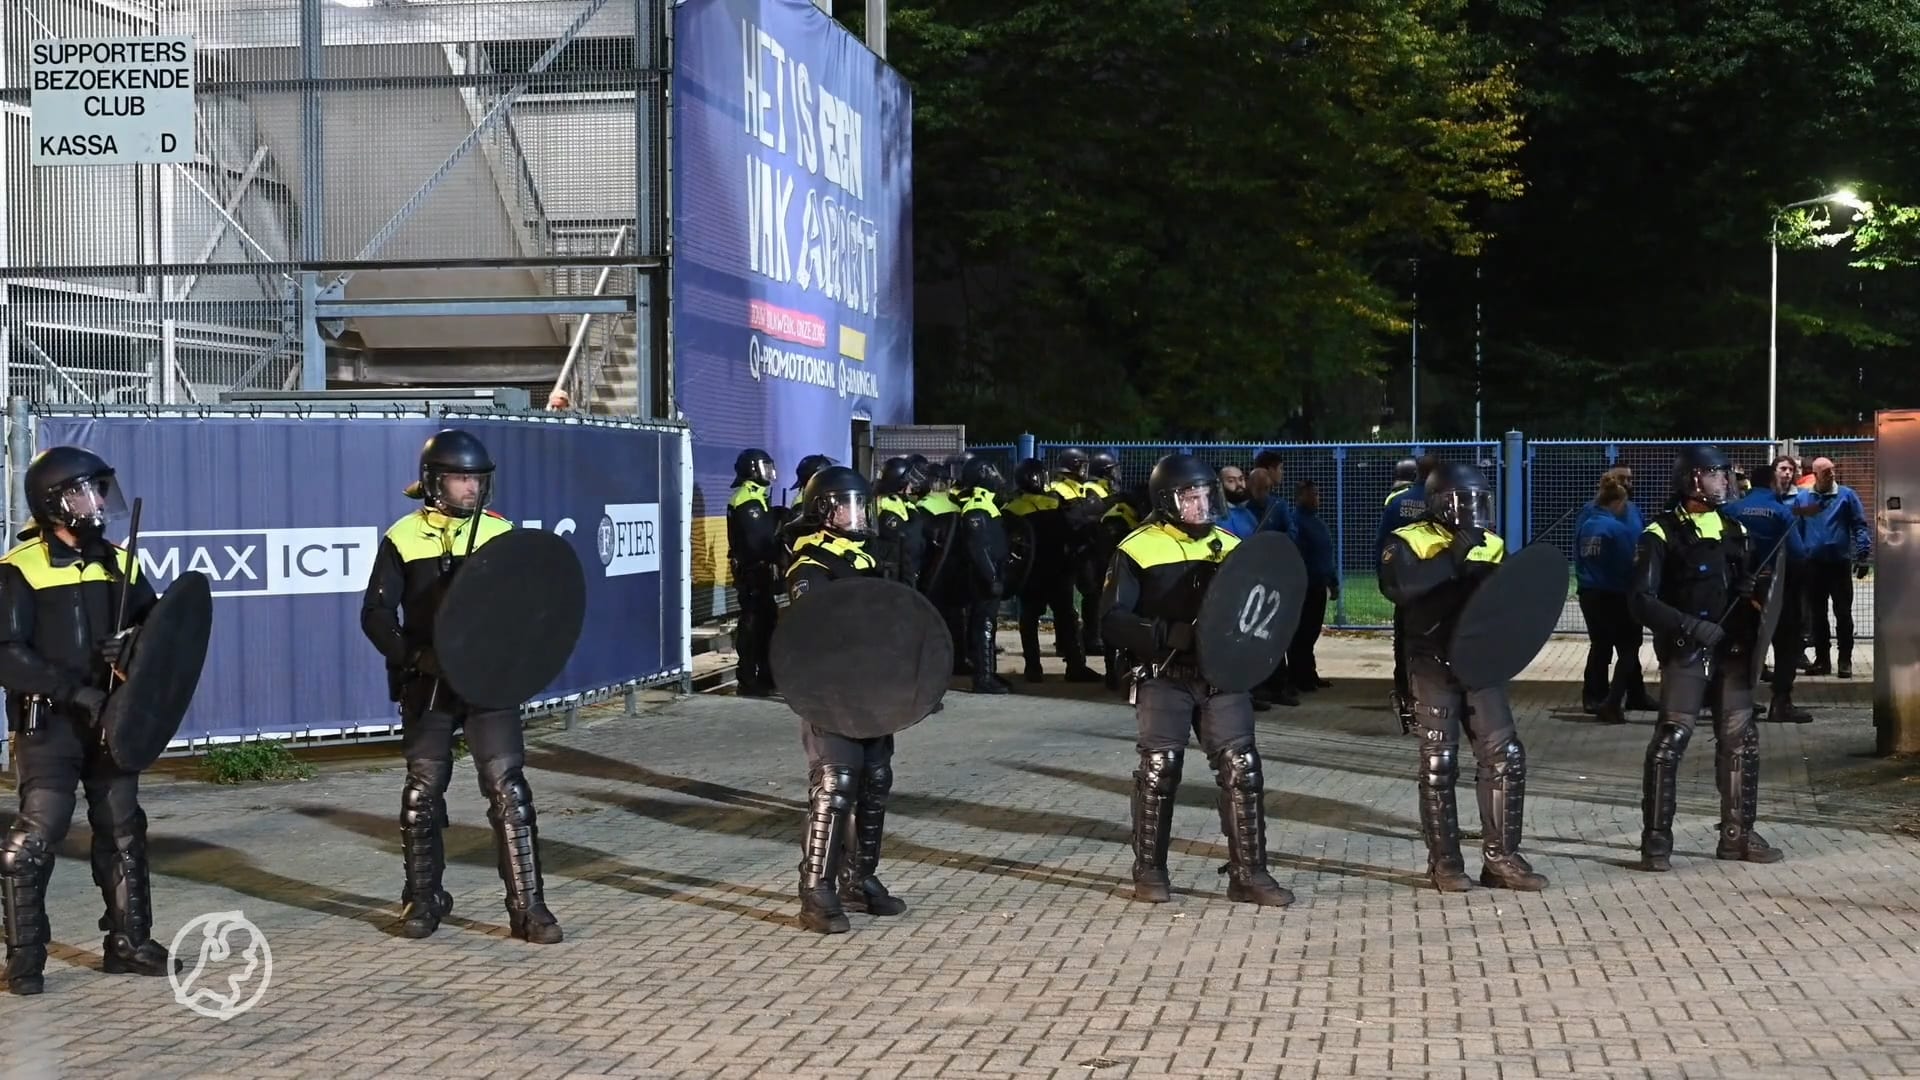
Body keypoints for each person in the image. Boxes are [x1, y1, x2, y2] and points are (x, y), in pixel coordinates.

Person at [361, 429, 563, 944]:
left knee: (509, 791)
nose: (471, 487)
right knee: (421, 794)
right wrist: (414, 656)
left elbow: (533, 610)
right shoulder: (403, 537)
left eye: (476, 478)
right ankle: (424, 900)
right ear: (434, 482)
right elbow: (376, 614)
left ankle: (529, 908)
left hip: (488, 684)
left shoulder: (501, 533)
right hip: (427, 684)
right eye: (460, 478)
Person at [0, 447, 178, 996]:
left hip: (111, 721)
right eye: (86, 490)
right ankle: (25, 958)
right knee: (35, 836)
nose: (98, 501)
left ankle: (128, 943)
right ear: (55, 502)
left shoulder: (120, 564)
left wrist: (132, 645)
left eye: (101, 489)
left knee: (124, 831)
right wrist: (73, 691)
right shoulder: (19, 569)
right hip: (49, 725)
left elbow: (160, 632)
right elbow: (6, 653)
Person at [1101, 454, 1294, 909]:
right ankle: (1150, 871)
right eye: (1191, 496)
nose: (1201, 504)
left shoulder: (1229, 544)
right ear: (1168, 500)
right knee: (1159, 769)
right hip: (1163, 674)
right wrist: (1164, 634)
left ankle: (1249, 873)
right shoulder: (1137, 548)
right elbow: (1110, 620)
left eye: (1207, 495)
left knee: (1242, 768)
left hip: (1219, 677)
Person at [1380, 462, 1547, 893]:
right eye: (1465, 501)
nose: (1475, 510)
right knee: (1439, 764)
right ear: (1440, 503)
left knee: (1505, 756)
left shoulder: (1491, 544)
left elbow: (1507, 599)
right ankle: (1446, 863)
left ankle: (1502, 858)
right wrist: (1456, 554)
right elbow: (1400, 588)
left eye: (1480, 501)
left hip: (1480, 662)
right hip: (1430, 661)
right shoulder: (1409, 539)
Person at [1629, 445, 1780, 872]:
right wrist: (1690, 627)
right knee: (1670, 741)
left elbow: (1754, 593)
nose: (1725, 482)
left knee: (1741, 739)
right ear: (1694, 479)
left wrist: (1753, 589)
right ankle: (1656, 842)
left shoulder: (1734, 528)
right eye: (1717, 475)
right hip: (1688, 650)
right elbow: (1640, 601)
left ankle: (1738, 836)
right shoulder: (1660, 534)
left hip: (1732, 650)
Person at [785, 466, 910, 934]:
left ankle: (859, 878)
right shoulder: (810, 566)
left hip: (872, 694)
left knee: (875, 781)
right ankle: (817, 889)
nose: (857, 516)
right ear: (822, 511)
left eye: (861, 505)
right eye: (847, 506)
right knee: (835, 785)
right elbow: (812, 632)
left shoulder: (867, 560)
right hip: (829, 694)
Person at [1727, 456, 1813, 723]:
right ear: (1774, 481)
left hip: (1739, 589)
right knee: (1786, 644)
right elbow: (1798, 554)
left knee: (1743, 644)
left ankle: (1740, 702)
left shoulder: (1732, 510)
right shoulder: (1781, 512)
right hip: (1776, 589)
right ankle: (1780, 703)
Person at [1005, 459, 1097, 683]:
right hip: (1058, 569)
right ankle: (1075, 666)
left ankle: (1033, 668)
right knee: (1066, 617)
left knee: (1029, 619)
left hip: (1030, 572)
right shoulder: (1054, 504)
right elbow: (1071, 534)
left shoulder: (1010, 509)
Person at [1574, 474, 1641, 723]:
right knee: (1628, 646)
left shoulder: (1587, 525)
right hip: (1615, 593)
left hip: (1589, 592)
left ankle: (1594, 696)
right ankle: (1614, 698)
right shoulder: (1617, 529)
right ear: (1617, 503)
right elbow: (1629, 563)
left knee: (1600, 645)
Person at [1798, 457, 1871, 679]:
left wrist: (1862, 555)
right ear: (1816, 474)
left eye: (1832, 470)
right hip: (1813, 565)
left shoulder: (1846, 496)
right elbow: (1798, 528)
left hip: (1839, 564)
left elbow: (1859, 524)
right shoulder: (1805, 498)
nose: (1831, 474)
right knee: (1818, 615)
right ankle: (1822, 660)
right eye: (1826, 472)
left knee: (1843, 613)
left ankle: (1845, 660)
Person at [1378, 457, 1433, 730]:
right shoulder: (1442, 500)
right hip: (1435, 586)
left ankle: (1405, 696)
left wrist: (1385, 579)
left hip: (1404, 584)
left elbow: (1383, 543)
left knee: (1403, 642)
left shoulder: (1397, 502)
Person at [954, 457, 1012, 694]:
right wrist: (991, 578)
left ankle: (990, 673)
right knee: (984, 625)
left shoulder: (987, 503)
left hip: (991, 573)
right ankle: (983, 678)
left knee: (988, 624)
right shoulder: (976, 505)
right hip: (982, 577)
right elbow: (977, 547)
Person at [727, 449, 782, 697]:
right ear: (752, 469)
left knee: (767, 623)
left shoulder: (758, 497)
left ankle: (766, 676)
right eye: (764, 466)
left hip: (761, 573)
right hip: (752, 573)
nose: (769, 472)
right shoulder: (746, 500)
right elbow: (757, 541)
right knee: (753, 624)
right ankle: (749, 679)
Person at [1288, 480, 1336, 692]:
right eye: (1312, 495)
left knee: (1311, 632)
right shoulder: (1296, 522)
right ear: (1300, 497)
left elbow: (1325, 555)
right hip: (1305, 585)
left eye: (1317, 494)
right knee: (1302, 633)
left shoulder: (1316, 522)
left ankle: (1309, 673)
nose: (1317, 499)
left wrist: (1332, 580)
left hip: (1318, 584)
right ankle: (1300, 676)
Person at [1218, 466, 1258, 537]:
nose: (1239, 484)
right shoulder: (1216, 516)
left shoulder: (1248, 513)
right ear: (1220, 485)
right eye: (1231, 481)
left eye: (1241, 479)